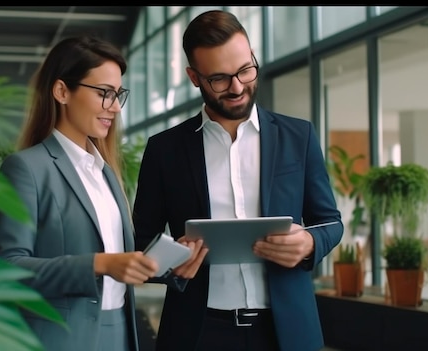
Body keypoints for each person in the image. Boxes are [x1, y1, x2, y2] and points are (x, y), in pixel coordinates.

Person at [132, 10, 343, 351]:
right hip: (197, 334)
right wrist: (172, 261)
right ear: (194, 77)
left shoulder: (297, 136)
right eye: (219, 78)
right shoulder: (164, 150)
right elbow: (141, 241)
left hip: (286, 332)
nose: (237, 87)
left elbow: (330, 222)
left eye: (246, 70)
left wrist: (309, 244)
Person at [0, 35, 159, 351]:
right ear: (62, 91)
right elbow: (7, 267)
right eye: (104, 94)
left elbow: (119, 259)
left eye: (117, 95)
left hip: (120, 333)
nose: (114, 108)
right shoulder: (26, 168)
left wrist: (168, 263)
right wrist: (97, 264)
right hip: (62, 339)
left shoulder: (106, 172)